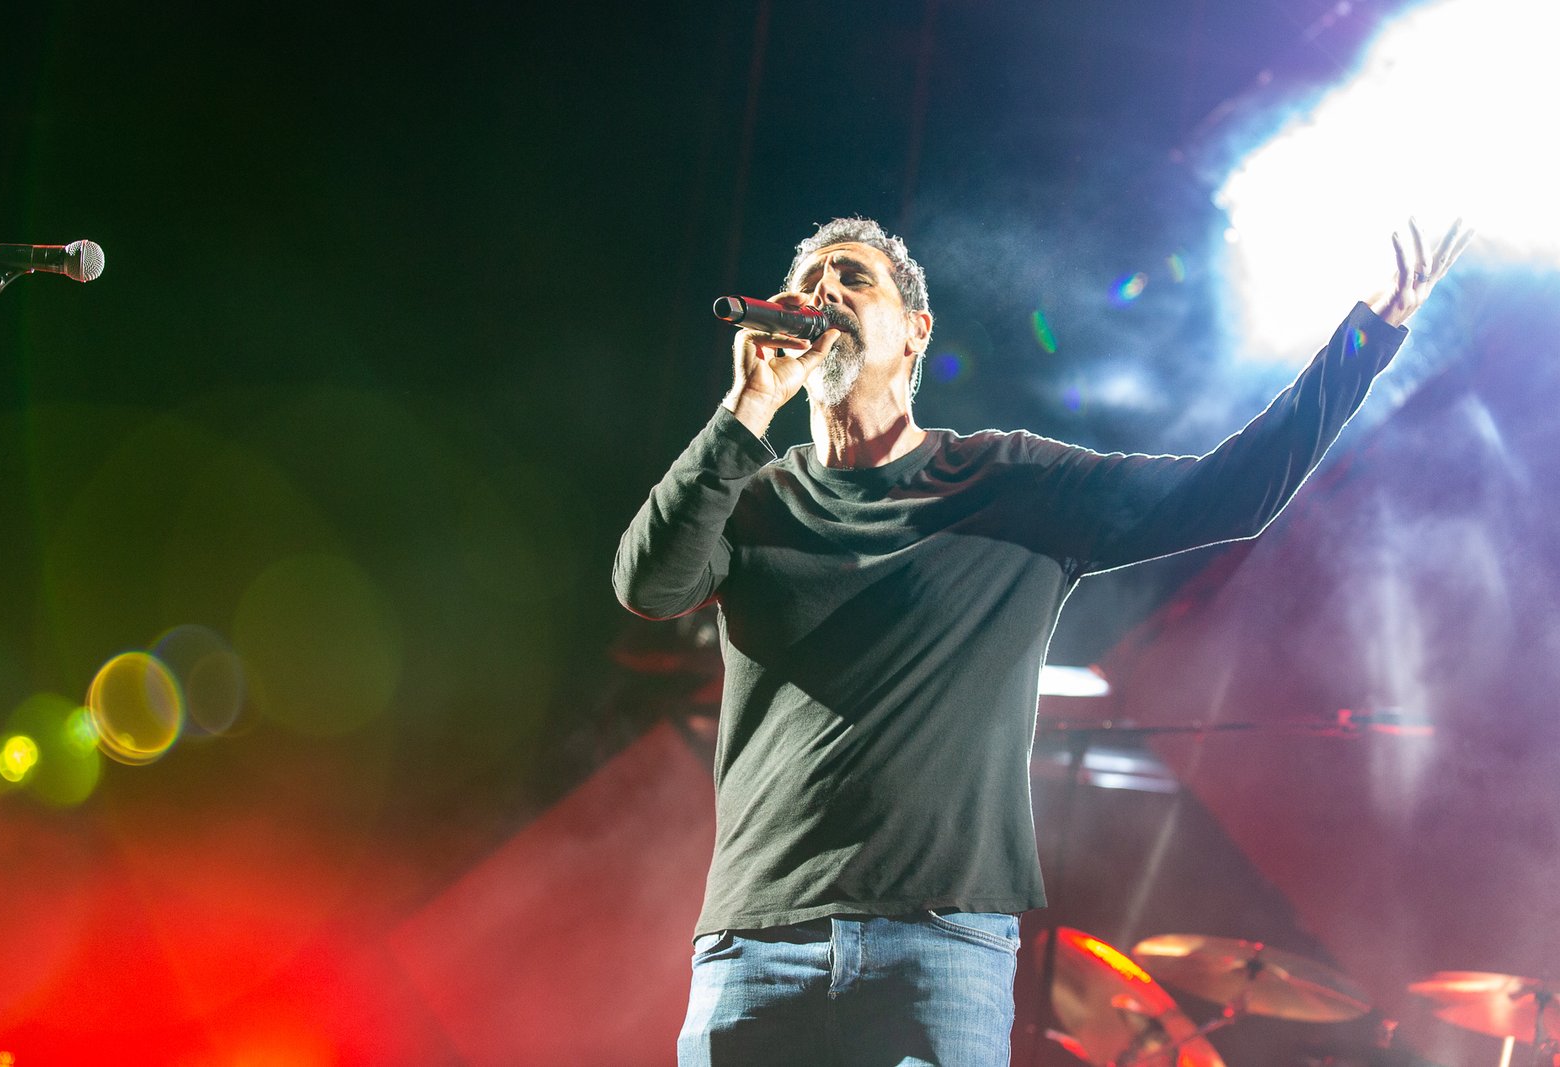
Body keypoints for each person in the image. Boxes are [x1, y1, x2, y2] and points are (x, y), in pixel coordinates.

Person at [613, 215, 1471, 1066]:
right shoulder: (751, 499)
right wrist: (749, 407)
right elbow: (647, 584)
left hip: (938, 946)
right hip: (757, 945)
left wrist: (1369, 336)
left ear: (916, 331)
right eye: (808, 283)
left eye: (852, 277)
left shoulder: (1008, 480)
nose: (823, 292)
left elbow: (1232, 493)